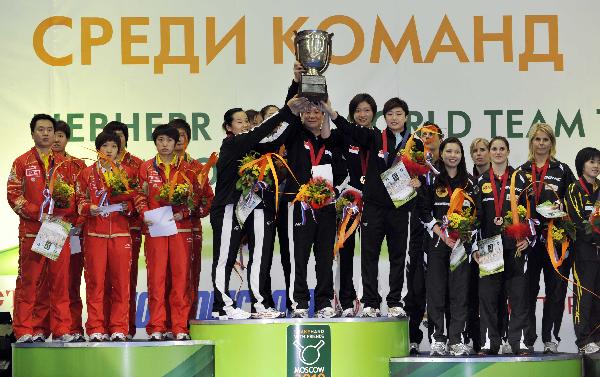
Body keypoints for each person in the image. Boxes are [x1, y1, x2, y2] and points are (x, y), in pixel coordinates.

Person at [210, 97, 308, 320]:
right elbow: (261, 131)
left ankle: (260, 303)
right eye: (239, 121)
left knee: (260, 255)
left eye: (246, 121)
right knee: (225, 256)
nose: (244, 124)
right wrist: (286, 110)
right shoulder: (233, 144)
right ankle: (222, 305)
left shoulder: (255, 145)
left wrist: (294, 100)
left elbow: (277, 135)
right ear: (228, 127)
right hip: (228, 207)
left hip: (255, 207)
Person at [322, 96, 415, 319]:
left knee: (398, 256)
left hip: (400, 207)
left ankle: (395, 302)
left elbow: (424, 167)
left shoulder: (414, 143)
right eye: (390, 114)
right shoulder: (374, 137)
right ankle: (370, 303)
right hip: (373, 207)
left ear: (406, 117)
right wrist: (331, 113)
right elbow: (351, 130)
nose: (394, 118)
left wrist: (419, 180)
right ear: (384, 117)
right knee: (369, 256)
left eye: (399, 114)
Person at [7, 114, 77, 343]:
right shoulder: (22, 162)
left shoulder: (65, 164)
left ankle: (62, 329)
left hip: (56, 227)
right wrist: (38, 212)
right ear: (32, 133)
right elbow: (13, 194)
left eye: (49, 129)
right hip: (32, 228)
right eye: (41, 129)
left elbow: (74, 195)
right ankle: (24, 329)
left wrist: (65, 209)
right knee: (29, 282)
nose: (46, 133)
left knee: (59, 282)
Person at [134, 124, 197, 340]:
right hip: (155, 229)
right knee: (157, 279)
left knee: (180, 280)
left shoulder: (189, 169)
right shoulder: (146, 167)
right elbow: (138, 195)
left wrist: (185, 213)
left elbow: (198, 198)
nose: (165, 145)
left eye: (169, 140)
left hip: (179, 229)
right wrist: (144, 213)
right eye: (160, 140)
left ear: (176, 143)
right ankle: (157, 327)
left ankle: (180, 327)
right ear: (155, 143)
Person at [519, 122, 576, 353]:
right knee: (527, 292)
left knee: (556, 292)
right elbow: (514, 206)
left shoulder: (562, 170)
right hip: (530, 243)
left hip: (556, 241)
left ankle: (551, 340)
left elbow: (573, 204)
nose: (541, 144)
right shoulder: (521, 171)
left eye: (546, 140)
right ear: (531, 142)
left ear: (552, 143)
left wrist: (562, 207)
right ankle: (528, 340)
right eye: (537, 139)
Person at [418, 137, 477, 356]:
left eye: (457, 152)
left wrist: (463, 233)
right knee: (436, 292)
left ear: (462, 156)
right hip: (437, 243)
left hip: (461, 245)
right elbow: (423, 211)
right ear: (441, 154)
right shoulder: (432, 180)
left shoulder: (470, 183)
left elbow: (476, 214)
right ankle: (437, 338)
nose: (453, 155)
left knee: (460, 293)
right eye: (448, 151)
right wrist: (441, 234)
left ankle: (456, 339)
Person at [76, 131, 136, 341]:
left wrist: (126, 207)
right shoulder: (86, 173)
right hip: (94, 234)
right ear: (98, 149)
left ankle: (119, 327)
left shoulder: (127, 173)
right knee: (95, 284)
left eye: (114, 146)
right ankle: (95, 328)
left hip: (120, 234)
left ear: (119, 150)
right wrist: (88, 208)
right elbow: (78, 200)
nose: (109, 150)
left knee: (121, 283)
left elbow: (135, 204)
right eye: (105, 146)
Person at [31, 120, 87, 342]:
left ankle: (71, 328)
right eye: (54, 135)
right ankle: (41, 328)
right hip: (51, 228)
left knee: (70, 281)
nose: (56, 139)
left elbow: (84, 196)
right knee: (46, 281)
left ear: (66, 139)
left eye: (61, 135)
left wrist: (79, 222)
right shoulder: (42, 163)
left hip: (73, 231)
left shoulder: (77, 165)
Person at [474, 136, 530, 355]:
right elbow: (476, 217)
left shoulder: (520, 179)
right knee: (488, 297)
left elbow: (531, 215)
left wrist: (528, 238)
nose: (497, 152)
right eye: (493, 149)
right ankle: (490, 343)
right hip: (489, 245)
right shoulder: (480, 181)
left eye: (501, 149)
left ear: (508, 151)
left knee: (517, 297)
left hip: (515, 245)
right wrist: (474, 247)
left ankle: (519, 342)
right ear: (489, 153)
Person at [333, 93, 377, 318]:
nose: (362, 114)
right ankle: (346, 300)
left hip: (373, 202)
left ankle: (370, 300)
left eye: (367, 110)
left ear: (374, 113)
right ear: (352, 113)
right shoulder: (343, 135)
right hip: (350, 199)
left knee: (369, 253)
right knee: (346, 250)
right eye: (358, 110)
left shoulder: (379, 136)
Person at [404, 122, 444, 354]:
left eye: (432, 135)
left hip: (439, 231)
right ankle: (413, 338)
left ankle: (439, 337)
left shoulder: (447, 165)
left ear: (441, 138)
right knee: (416, 285)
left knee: (439, 287)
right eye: (424, 134)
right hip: (417, 230)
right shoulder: (413, 163)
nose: (427, 138)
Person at [169, 118, 214, 322]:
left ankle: (186, 323)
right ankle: (164, 325)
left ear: (188, 139)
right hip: (164, 230)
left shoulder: (197, 167)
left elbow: (207, 198)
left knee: (188, 278)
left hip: (190, 229)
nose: (178, 139)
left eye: (183, 135)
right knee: (163, 278)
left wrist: (195, 208)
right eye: (174, 135)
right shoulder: (154, 166)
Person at [103, 121, 144, 340]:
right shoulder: (95, 167)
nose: (115, 143)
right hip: (99, 232)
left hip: (129, 230)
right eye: (111, 138)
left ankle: (124, 328)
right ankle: (102, 328)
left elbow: (140, 197)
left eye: (119, 137)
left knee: (126, 280)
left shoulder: (136, 165)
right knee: (101, 280)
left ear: (125, 139)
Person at [565, 147, 600, 354]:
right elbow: (576, 222)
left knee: (598, 295)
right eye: (591, 162)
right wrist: (596, 237)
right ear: (582, 165)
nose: (596, 166)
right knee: (584, 295)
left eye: (598, 162)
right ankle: (583, 339)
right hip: (583, 252)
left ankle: (597, 336)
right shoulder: (574, 189)